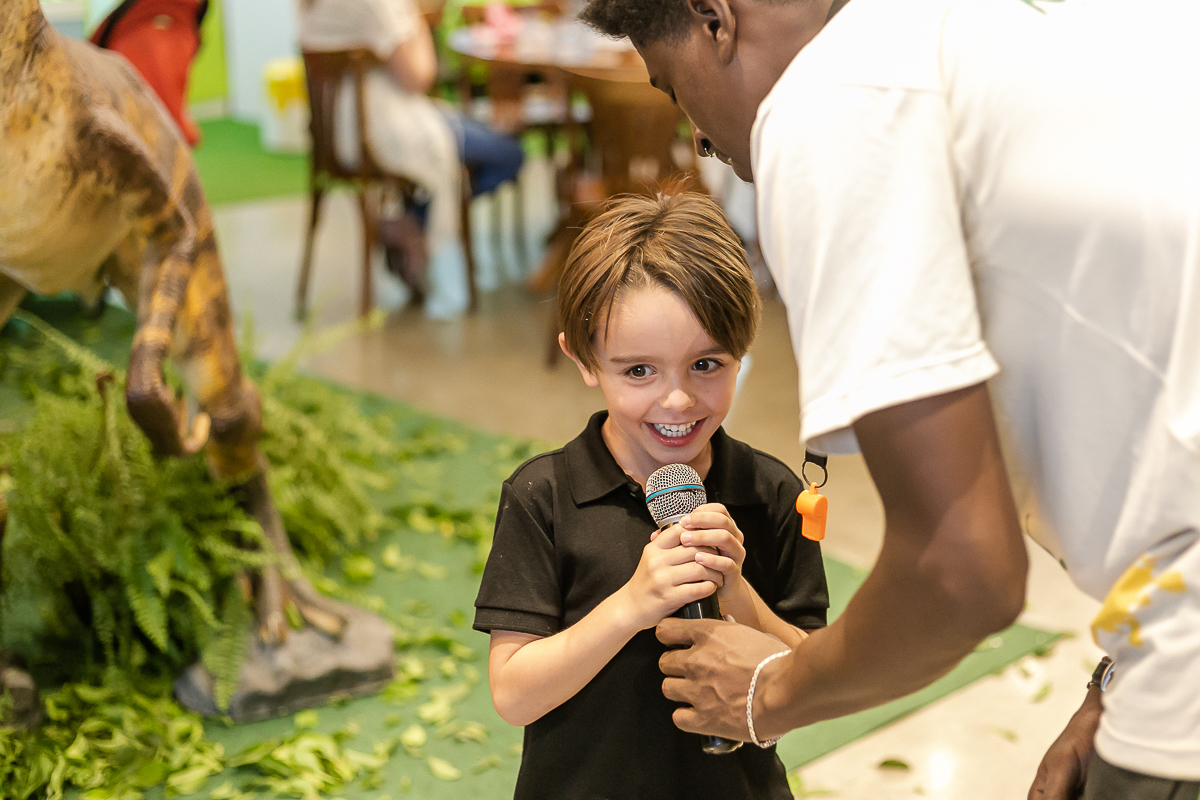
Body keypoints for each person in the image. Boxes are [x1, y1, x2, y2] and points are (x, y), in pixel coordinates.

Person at [578, 0, 1200, 798]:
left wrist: (766, 693)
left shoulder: (830, 104)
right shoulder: (1007, 30)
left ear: (714, 19)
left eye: (674, 92)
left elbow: (960, 572)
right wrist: (1116, 681)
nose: (703, 141)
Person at [473, 193, 829, 799]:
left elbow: (814, 679)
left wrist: (736, 593)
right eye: (639, 371)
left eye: (707, 364)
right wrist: (633, 603)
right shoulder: (544, 497)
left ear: (743, 352)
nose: (678, 401)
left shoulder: (769, 493)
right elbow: (513, 693)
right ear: (584, 359)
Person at [299, 0, 524, 317]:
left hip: (337, 134)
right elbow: (419, 75)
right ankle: (413, 224)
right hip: (385, 131)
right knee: (508, 153)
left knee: (479, 139)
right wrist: (415, 15)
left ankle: (412, 222)